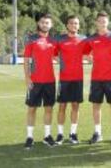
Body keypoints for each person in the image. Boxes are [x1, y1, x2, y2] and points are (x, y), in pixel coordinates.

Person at [84, 12, 111, 146]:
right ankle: (97, 133)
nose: (102, 23)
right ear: (96, 22)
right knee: (96, 106)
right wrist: (90, 58)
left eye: (104, 21)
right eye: (100, 21)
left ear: (108, 22)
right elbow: (85, 52)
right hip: (96, 78)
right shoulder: (92, 38)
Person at [23, 13, 57, 149]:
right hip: (35, 81)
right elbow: (26, 60)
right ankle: (30, 137)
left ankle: (47, 136)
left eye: (47, 22)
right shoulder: (31, 40)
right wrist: (27, 77)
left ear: (51, 25)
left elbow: (58, 57)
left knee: (49, 109)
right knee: (32, 109)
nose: (45, 24)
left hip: (50, 81)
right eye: (42, 22)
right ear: (39, 23)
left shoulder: (53, 41)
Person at [55, 15, 87, 145]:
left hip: (78, 78)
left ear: (78, 26)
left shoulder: (84, 39)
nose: (74, 25)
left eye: (76, 23)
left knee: (75, 106)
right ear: (67, 25)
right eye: (71, 23)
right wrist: (63, 64)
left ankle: (73, 134)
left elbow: (90, 53)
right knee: (62, 106)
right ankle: (60, 134)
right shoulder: (60, 39)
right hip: (64, 79)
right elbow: (53, 54)